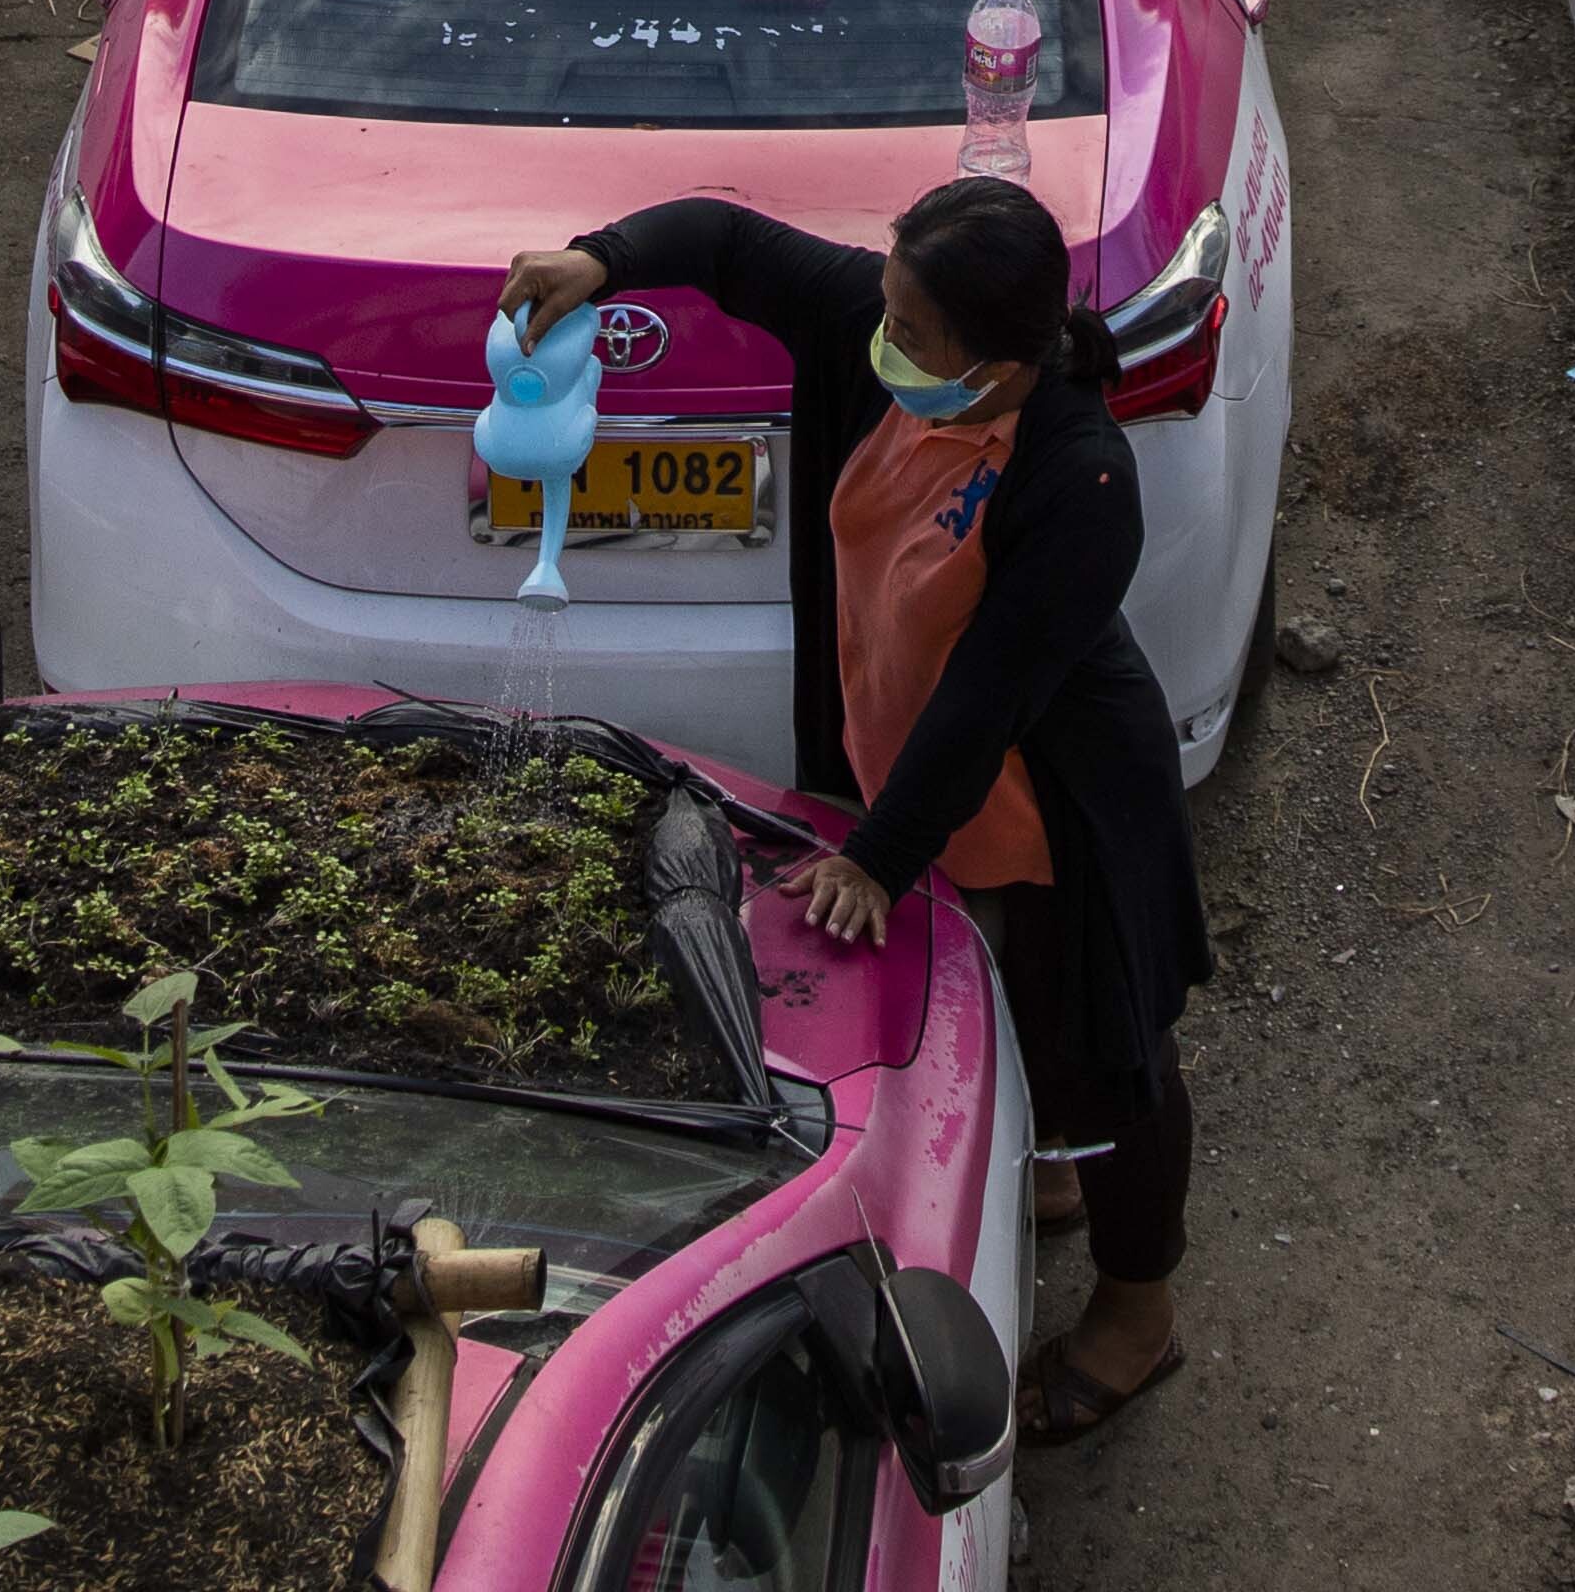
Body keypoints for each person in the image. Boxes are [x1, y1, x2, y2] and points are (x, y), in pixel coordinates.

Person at [496, 183, 1207, 1445]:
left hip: (1053, 808)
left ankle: (1136, 1311)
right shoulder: (886, 343)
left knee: (1107, 1055)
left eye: (909, 330)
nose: (880, 340)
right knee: (979, 1018)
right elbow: (723, 241)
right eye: (883, 305)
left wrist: (876, 857)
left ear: (995, 358)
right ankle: (1039, 1175)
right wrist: (596, 260)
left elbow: (992, 692)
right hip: (917, 769)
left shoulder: (1078, 472)